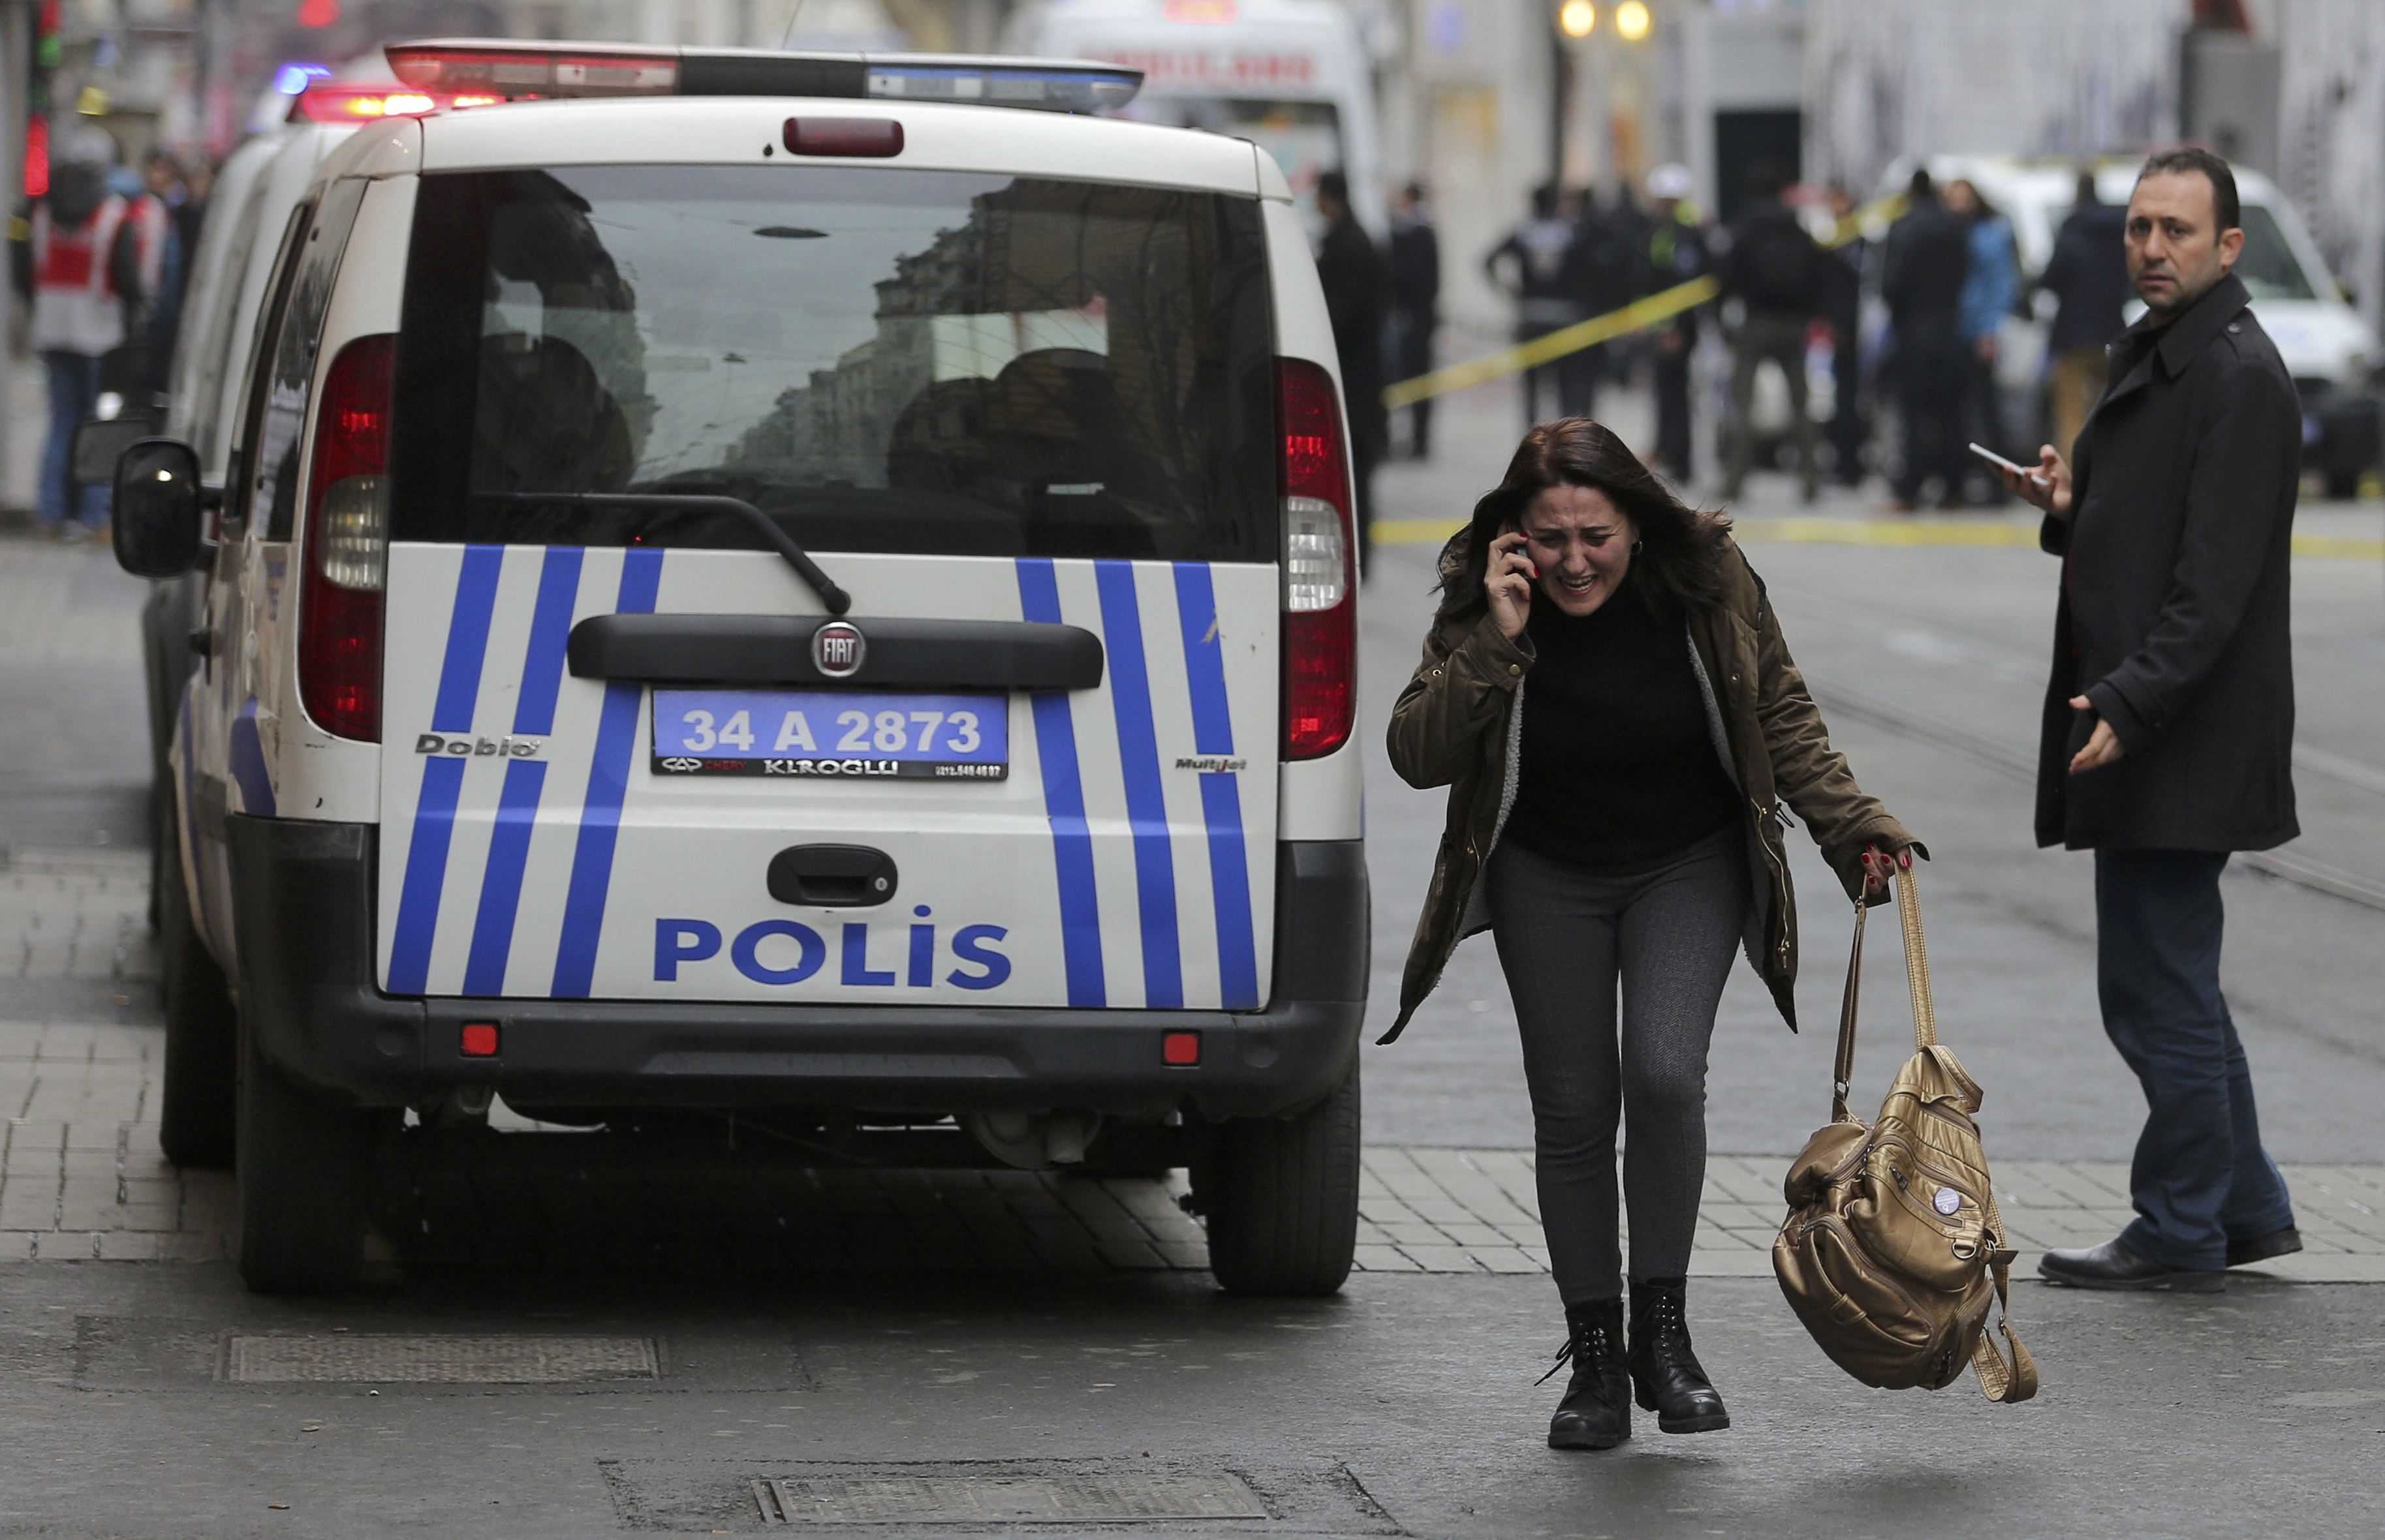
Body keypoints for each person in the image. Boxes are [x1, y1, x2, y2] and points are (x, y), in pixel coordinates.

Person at [1384, 416, 1919, 1449]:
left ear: (1636, 520)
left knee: (1666, 1075)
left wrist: (1849, 824)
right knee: (1574, 1107)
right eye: (1549, 539)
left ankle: (1662, 1336)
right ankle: (1592, 1358)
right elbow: (1415, 751)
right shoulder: (1481, 596)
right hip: (1547, 872)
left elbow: (1780, 714)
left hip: (1688, 863)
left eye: (1596, 536)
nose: (1574, 561)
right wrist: (1496, 638)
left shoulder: (1708, 577)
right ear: (1513, 538)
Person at [1992, 147, 2302, 1293]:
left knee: (2152, 988)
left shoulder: (2234, 374)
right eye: (2137, 229)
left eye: (2174, 231)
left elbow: (2210, 585)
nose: (2149, 249)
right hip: (2151, 722)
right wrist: (2073, 507)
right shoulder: (2174, 358)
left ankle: (2177, 1226)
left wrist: (2127, 700)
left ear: (2226, 247)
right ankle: (2242, 1203)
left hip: (2178, 735)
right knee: (2169, 979)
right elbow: (2159, 535)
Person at [8, 127, 145, 538]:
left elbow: (21, 274)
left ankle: (51, 510)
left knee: (61, 422)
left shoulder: (36, 213)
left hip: (52, 331)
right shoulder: (116, 214)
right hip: (100, 337)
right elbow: (129, 279)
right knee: (98, 427)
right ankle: (93, 514)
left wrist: (38, 308)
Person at [1717, 162, 1824, 502]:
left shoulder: (1746, 226)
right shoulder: (1797, 225)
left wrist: (1724, 317)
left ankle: (1735, 481)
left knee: (1743, 404)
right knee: (1801, 406)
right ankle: (1811, 482)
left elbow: (1727, 275)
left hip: (1756, 323)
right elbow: (1815, 272)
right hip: (1793, 325)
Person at [1879, 168, 1971, 510]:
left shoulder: (1904, 227)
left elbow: (1891, 285)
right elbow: (1964, 275)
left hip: (1913, 332)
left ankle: (1910, 489)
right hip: (1949, 329)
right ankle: (1953, 489)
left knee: (1913, 416)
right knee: (1950, 414)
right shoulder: (1955, 227)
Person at [1313, 170, 1388, 572]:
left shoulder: (1350, 246)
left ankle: (1359, 557)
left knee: (1355, 472)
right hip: (1355, 378)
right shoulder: (1350, 241)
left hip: (1354, 381)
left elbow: (1342, 315)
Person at [2038, 169, 2130, 462]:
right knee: (2114, 409)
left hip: (2073, 335)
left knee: (2072, 412)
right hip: (2113, 332)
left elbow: (2053, 277)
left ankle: (2076, 476)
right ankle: (2116, 467)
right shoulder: (2120, 229)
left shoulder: (2072, 228)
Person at [1486, 184, 1587, 428]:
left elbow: (1488, 261)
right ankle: (1566, 437)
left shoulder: (1523, 232)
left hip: (1530, 314)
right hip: (1564, 315)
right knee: (1565, 384)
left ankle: (1531, 440)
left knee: (1531, 385)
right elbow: (1589, 267)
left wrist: (1508, 290)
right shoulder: (1570, 232)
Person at [1944, 177, 2019, 502]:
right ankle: (1959, 481)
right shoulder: (1949, 233)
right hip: (1952, 332)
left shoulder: (1990, 235)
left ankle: (2000, 486)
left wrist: (1989, 331)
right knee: (1955, 413)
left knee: (1986, 412)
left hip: (1977, 333)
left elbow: (1999, 285)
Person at [1642, 164, 1708, 482]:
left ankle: (1680, 460)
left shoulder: (1684, 233)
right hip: (1664, 327)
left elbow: (1683, 285)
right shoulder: (1664, 230)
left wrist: (1674, 329)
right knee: (1665, 394)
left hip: (1678, 329)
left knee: (1676, 396)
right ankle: (1666, 450)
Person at [1819, 185, 1870, 486]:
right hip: (1841, 329)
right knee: (1843, 398)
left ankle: (1851, 464)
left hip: (1854, 330)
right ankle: (1845, 461)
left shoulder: (1854, 241)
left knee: (1852, 399)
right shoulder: (1836, 240)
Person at [1388, 181, 1441, 459]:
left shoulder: (1416, 233)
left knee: (1415, 378)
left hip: (1415, 318)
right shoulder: (1419, 231)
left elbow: (1413, 277)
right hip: (1417, 317)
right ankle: (1417, 439)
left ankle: (1419, 440)